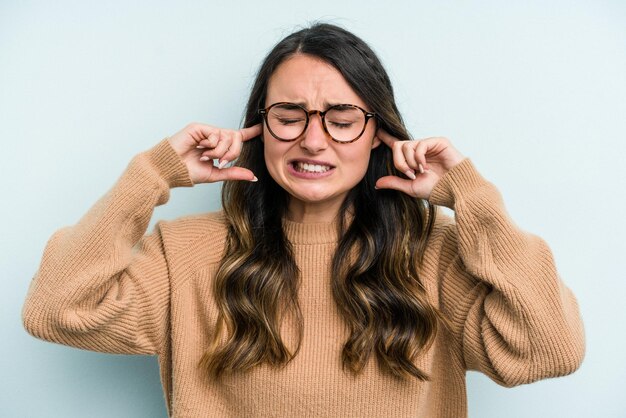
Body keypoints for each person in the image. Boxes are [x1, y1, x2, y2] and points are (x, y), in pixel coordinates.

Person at [22, 23, 585, 417]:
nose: (312, 139)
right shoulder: (185, 253)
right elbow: (55, 308)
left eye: (341, 118)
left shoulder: (433, 252)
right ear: (260, 127)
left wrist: (471, 199)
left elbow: (547, 350)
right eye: (289, 116)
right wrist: (153, 174)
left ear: (379, 133)